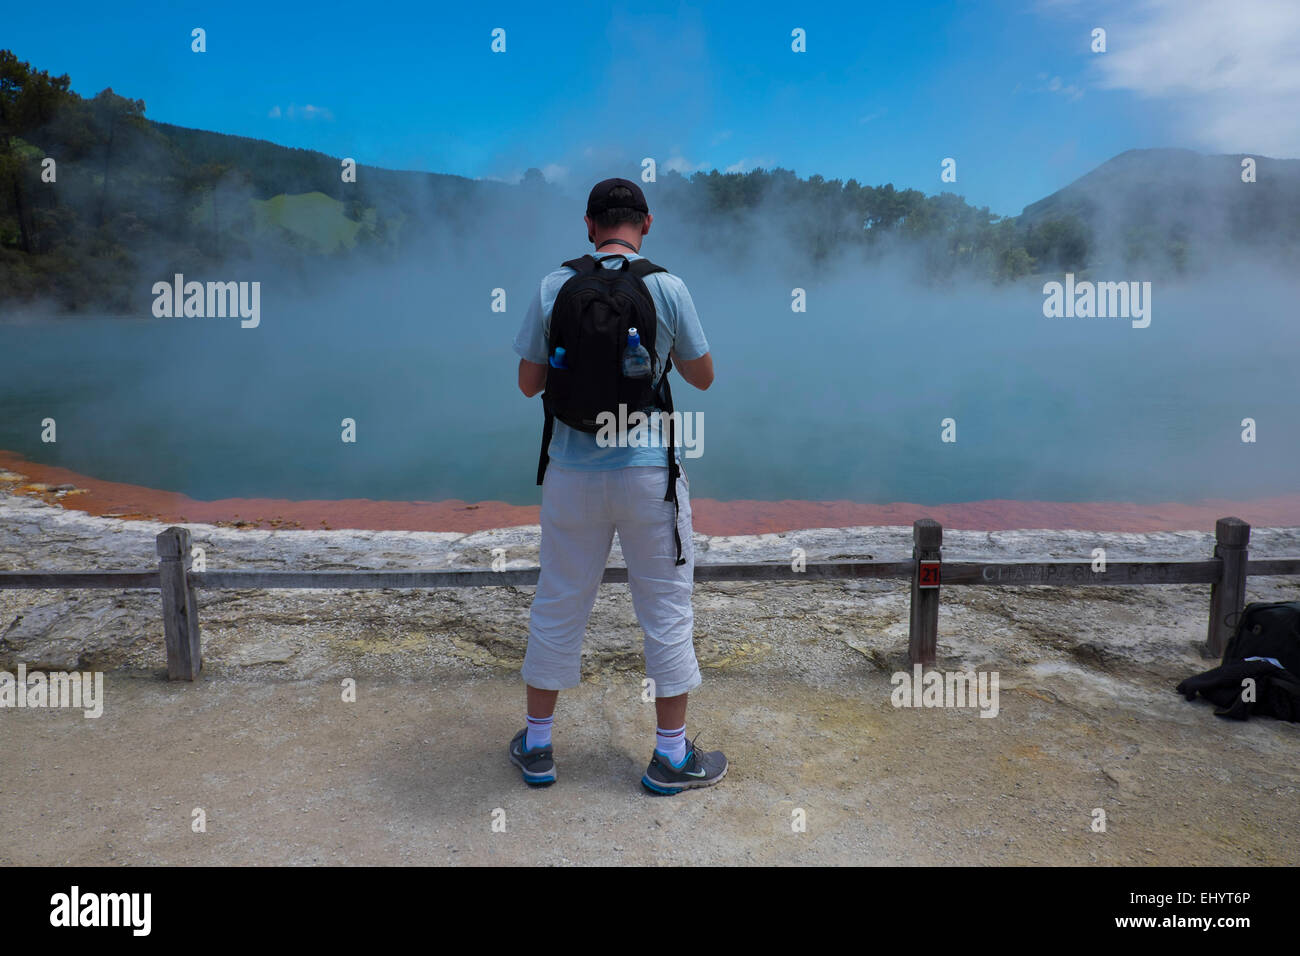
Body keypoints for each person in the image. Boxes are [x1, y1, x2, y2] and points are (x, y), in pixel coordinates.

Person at [510, 177, 727, 794]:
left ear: (588, 224)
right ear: (646, 223)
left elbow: (529, 384)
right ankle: (670, 759)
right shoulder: (667, 285)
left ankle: (540, 747)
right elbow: (704, 378)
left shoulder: (556, 284)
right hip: (646, 477)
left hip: (571, 475)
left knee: (558, 603)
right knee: (664, 610)